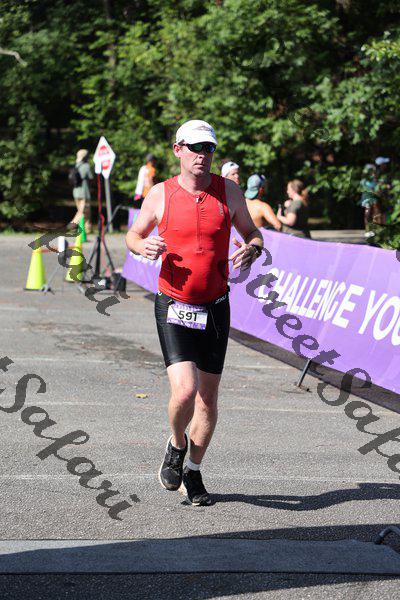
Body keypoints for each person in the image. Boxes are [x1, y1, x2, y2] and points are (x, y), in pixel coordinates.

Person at [125, 119, 263, 506]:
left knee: (208, 399)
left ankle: (194, 470)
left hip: (216, 305)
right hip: (174, 304)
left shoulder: (229, 191)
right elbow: (133, 235)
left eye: (209, 148)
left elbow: (253, 233)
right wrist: (141, 246)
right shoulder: (160, 193)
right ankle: (176, 443)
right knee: (185, 391)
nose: (203, 155)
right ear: (178, 150)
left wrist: (252, 249)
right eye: (196, 147)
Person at [71, 149, 93, 233]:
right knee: (83, 211)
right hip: (84, 192)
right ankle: (71, 226)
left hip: (76, 191)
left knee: (86, 212)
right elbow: (91, 177)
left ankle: (87, 229)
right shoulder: (86, 166)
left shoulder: (76, 165)